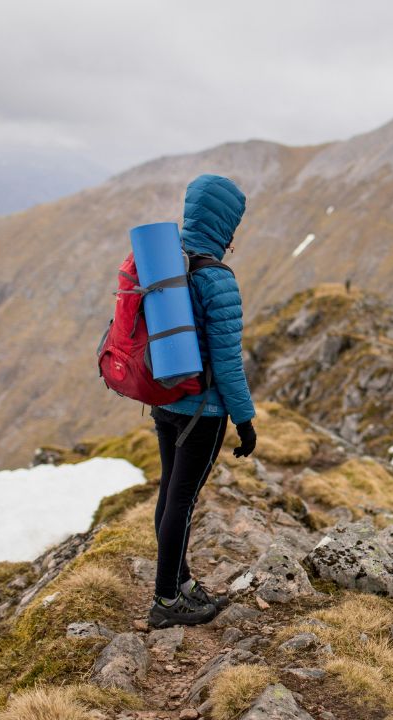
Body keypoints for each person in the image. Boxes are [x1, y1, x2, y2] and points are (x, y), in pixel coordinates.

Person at [147, 174, 257, 629]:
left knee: (170, 494)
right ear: (224, 225)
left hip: (165, 400)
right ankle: (168, 602)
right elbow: (228, 363)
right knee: (183, 502)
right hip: (203, 412)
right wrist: (245, 420)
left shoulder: (165, 266)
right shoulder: (217, 279)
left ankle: (181, 583)